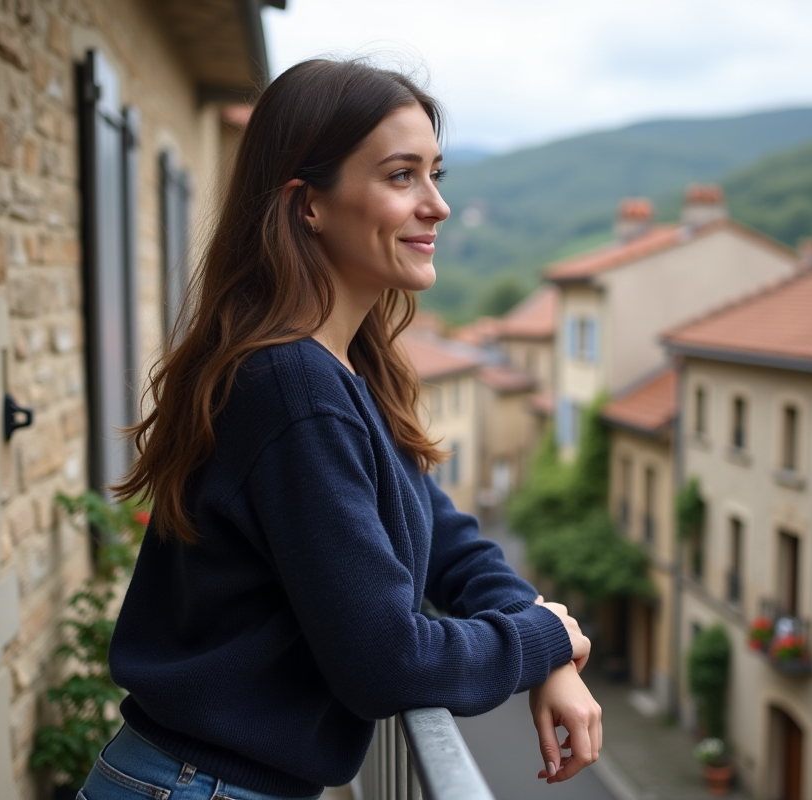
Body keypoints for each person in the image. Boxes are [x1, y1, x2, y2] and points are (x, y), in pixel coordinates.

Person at [75, 58, 603, 800]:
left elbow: (445, 535)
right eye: (401, 176)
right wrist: (542, 639)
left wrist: (539, 641)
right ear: (308, 204)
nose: (438, 205)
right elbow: (390, 662)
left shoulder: (342, 369)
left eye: (436, 173)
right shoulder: (293, 388)